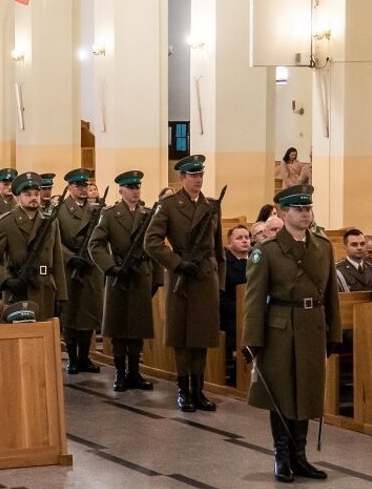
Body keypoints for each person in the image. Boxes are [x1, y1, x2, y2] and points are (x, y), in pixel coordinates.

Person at [243, 185, 340, 483]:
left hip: (312, 326)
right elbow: (254, 299)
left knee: (308, 391)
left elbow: (330, 294)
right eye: (298, 209)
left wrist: (333, 332)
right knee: (283, 393)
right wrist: (252, 341)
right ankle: (281, 455)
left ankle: (301, 456)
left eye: (308, 208)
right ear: (284, 213)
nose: (305, 214)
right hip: (280, 329)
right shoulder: (267, 252)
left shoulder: (323, 247)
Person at [144, 155, 224, 413]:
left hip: (204, 278)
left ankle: (199, 390)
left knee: (201, 337)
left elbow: (219, 248)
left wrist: (219, 282)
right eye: (192, 176)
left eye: (200, 175)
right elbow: (152, 242)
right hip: (181, 276)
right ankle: (183, 391)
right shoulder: (168, 205)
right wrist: (176, 263)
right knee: (182, 337)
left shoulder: (212, 205)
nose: (198, 180)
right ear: (182, 178)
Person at [88, 171, 160, 392]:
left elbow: (155, 246)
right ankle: (120, 373)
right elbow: (95, 245)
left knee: (137, 330)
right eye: (130, 188)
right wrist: (111, 267)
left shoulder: (148, 214)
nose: (135, 191)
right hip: (118, 276)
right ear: (121, 191)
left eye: (137, 187)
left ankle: (135, 373)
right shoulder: (110, 215)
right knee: (119, 330)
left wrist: (156, 278)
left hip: (140, 276)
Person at [0, 172, 68, 317]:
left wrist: (61, 295)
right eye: (28, 194)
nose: (34, 198)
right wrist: (6, 280)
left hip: (45, 287)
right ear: (17, 197)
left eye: (36, 193)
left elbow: (57, 259)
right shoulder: (6, 222)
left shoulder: (50, 221)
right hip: (19, 287)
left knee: (46, 333)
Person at [56, 168, 104, 374]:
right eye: (78, 186)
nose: (83, 189)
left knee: (88, 316)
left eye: (85, 185)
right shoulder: (60, 210)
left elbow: (101, 240)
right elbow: (54, 241)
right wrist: (70, 257)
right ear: (69, 187)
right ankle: (73, 358)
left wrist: (91, 257)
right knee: (70, 316)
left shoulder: (96, 211)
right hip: (69, 268)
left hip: (90, 267)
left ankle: (85, 357)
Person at [220, 224, 251, 384]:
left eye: (247, 237)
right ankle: (238, 376)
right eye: (239, 238)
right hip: (232, 317)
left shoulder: (256, 260)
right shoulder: (224, 265)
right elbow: (222, 299)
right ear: (229, 244)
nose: (245, 241)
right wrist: (242, 312)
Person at [335, 228, 372, 292]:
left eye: (362, 244)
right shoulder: (337, 271)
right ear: (345, 248)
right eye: (354, 245)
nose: (359, 248)